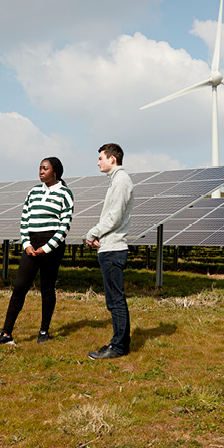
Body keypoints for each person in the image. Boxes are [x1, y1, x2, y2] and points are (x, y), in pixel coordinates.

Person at [0, 157, 74, 347]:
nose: (41, 171)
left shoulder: (65, 193)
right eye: (40, 168)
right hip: (31, 244)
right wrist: (26, 244)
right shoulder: (33, 192)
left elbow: (65, 224)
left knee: (47, 288)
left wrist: (47, 247)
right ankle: (6, 333)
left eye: (45, 168)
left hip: (51, 245)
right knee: (19, 287)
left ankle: (44, 331)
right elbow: (24, 219)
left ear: (55, 172)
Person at [85, 143, 134, 360]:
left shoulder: (121, 181)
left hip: (114, 249)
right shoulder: (116, 180)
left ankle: (119, 347)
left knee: (115, 300)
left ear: (112, 159)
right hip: (109, 247)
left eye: (100, 158)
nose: (98, 163)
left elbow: (114, 217)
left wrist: (92, 233)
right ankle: (118, 343)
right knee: (113, 300)